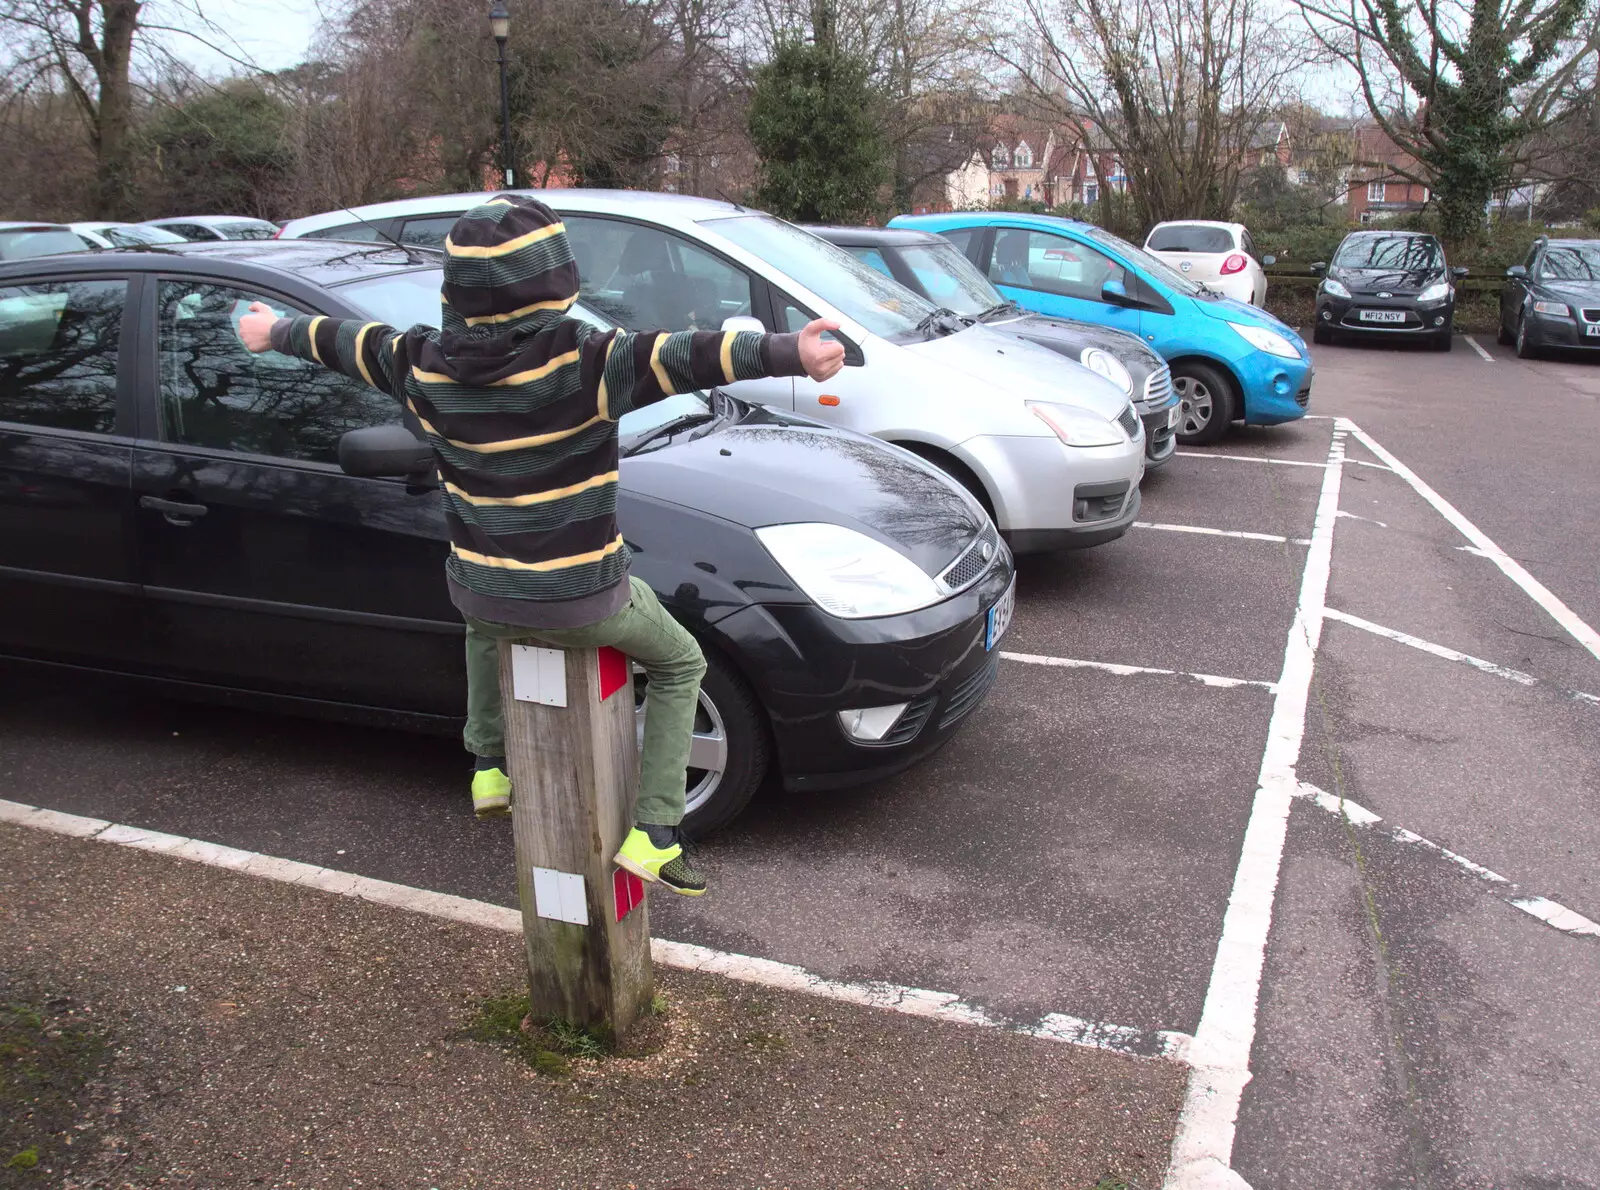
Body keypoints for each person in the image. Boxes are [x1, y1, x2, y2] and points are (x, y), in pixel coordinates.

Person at [238, 195, 844, 896]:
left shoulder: (419, 361)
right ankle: (657, 833)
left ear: (455, 290)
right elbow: (688, 355)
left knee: (484, 614)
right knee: (681, 662)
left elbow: (346, 341)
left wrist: (273, 329)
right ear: (558, 281)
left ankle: (489, 763)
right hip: (582, 597)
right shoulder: (588, 362)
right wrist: (790, 352)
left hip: (480, 589)